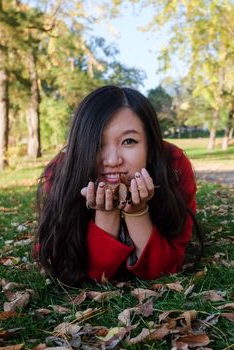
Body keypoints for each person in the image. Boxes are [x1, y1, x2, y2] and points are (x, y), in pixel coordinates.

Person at [35, 86, 203, 286]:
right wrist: (106, 214)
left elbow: (166, 268)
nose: (112, 160)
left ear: (150, 148)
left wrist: (137, 212)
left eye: (128, 141)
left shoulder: (173, 165)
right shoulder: (59, 173)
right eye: (97, 143)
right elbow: (72, 269)